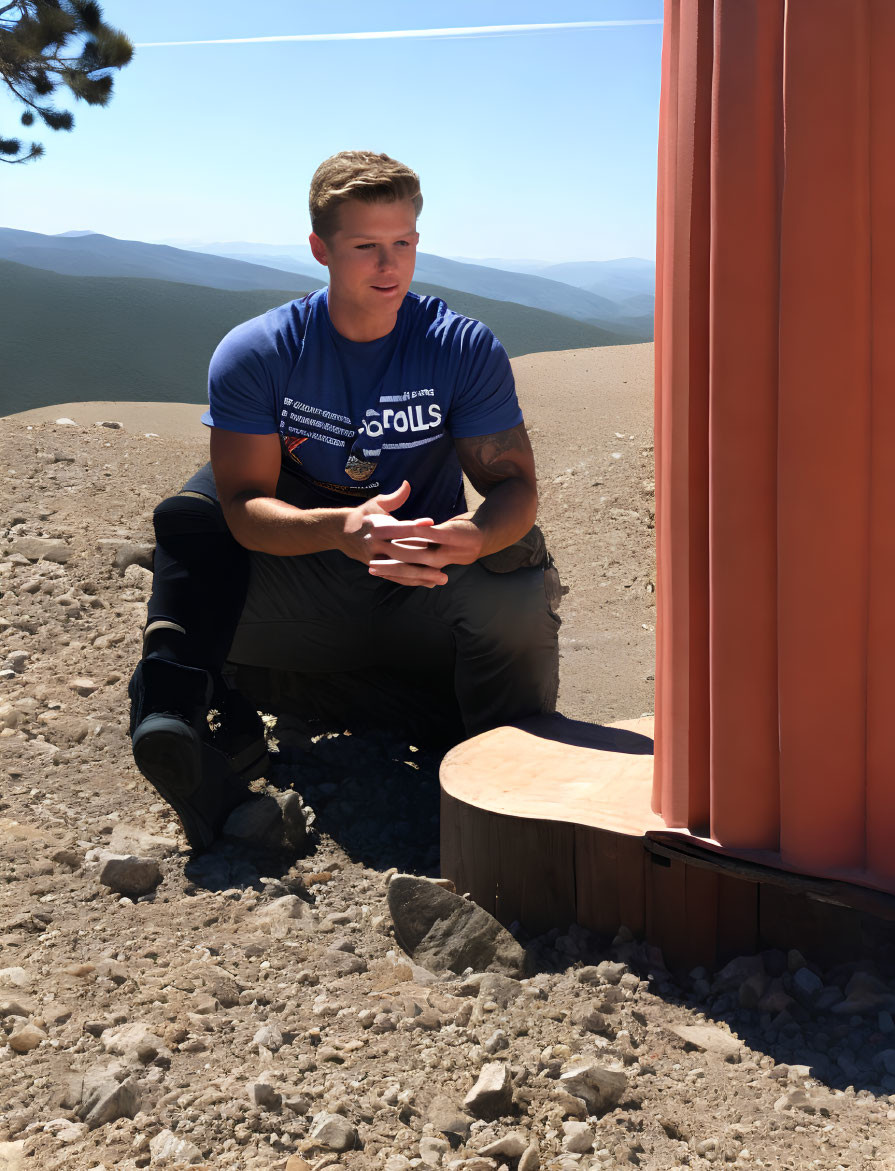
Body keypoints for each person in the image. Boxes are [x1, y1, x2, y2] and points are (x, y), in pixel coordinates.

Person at [128, 150, 561, 852]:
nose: (389, 265)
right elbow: (242, 505)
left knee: (516, 566)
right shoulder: (260, 352)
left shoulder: (460, 349)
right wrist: (338, 526)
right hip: (311, 574)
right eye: (366, 247)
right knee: (196, 525)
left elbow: (513, 489)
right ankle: (197, 717)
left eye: (403, 244)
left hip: (424, 580)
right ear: (319, 248)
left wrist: (476, 537)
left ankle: (504, 776)